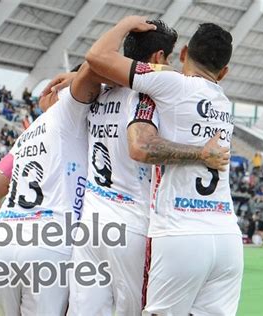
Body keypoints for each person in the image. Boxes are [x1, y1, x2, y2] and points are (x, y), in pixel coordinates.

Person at [64, 21, 229, 316]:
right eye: (167, 59)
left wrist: (124, 26)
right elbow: (142, 146)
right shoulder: (152, 95)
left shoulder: (97, 93)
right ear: (158, 58)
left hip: (91, 223)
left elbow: (93, 63)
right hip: (133, 225)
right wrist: (202, 154)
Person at [0, 64, 103, 315]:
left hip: (3, 241)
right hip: (50, 243)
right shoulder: (74, 115)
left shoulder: (29, 133)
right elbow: (96, 64)